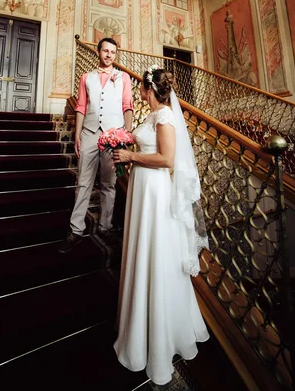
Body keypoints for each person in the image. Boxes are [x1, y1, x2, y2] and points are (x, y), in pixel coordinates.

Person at [112, 67, 209, 385]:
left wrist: (131, 155)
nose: (139, 89)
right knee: (142, 250)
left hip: (155, 193)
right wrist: (128, 150)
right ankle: (138, 324)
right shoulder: (152, 114)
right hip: (144, 190)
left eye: (140, 85)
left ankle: (158, 336)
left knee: (154, 253)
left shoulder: (165, 116)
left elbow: (168, 158)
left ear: (147, 88)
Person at [58, 38, 133, 254]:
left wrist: (125, 136)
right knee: (83, 182)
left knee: (109, 184)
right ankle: (76, 230)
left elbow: (127, 106)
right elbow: (81, 107)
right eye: (106, 50)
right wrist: (78, 134)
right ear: (98, 52)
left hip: (114, 135)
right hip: (89, 133)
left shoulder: (123, 78)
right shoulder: (86, 78)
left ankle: (105, 227)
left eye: (113, 52)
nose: (109, 55)